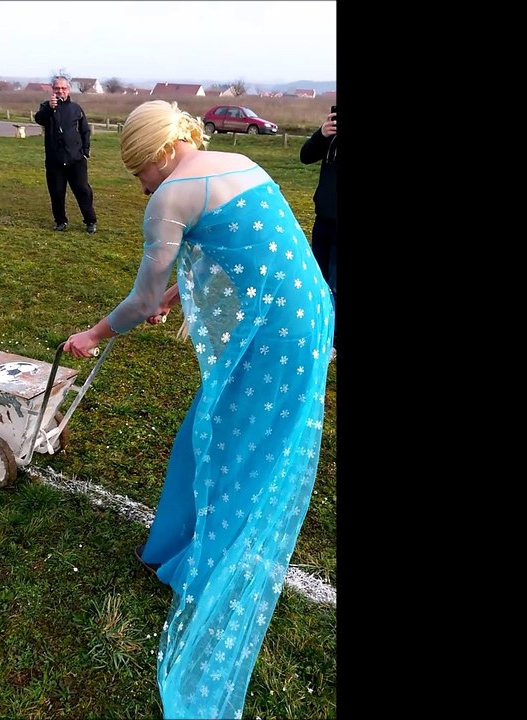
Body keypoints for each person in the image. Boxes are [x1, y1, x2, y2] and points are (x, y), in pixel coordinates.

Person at [63, 100, 333, 720]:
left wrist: (93, 335)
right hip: (310, 315)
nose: (143, 186)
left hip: (278, 341)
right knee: (206, 431)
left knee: (242, 452)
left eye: (140, 172)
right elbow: (249, 257)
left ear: (160, 153)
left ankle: (210, 576)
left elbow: (140, 299)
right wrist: (170, 296)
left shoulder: (170, 198)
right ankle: (179, 541)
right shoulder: (234, 159)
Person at [33, 76, 98, 234]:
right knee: (56, 192)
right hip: (55, 160)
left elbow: (85, 131)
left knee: (83, 190)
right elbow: (39, 119)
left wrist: (85, 151)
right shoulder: (46, 107)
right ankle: (60, 221)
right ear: (52, 89)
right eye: (57, 88)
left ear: (68, 90)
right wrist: (49, 108)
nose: (60, 91)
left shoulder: (76, 108)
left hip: (76, 159)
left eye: (63, 88)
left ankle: (90, 221)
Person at [300, 106, 338, 358]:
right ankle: (318, 330)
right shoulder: (332, 136)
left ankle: (332, 342)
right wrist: (322, 134)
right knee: (319, 280)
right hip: (324, 220)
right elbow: (306, 156)